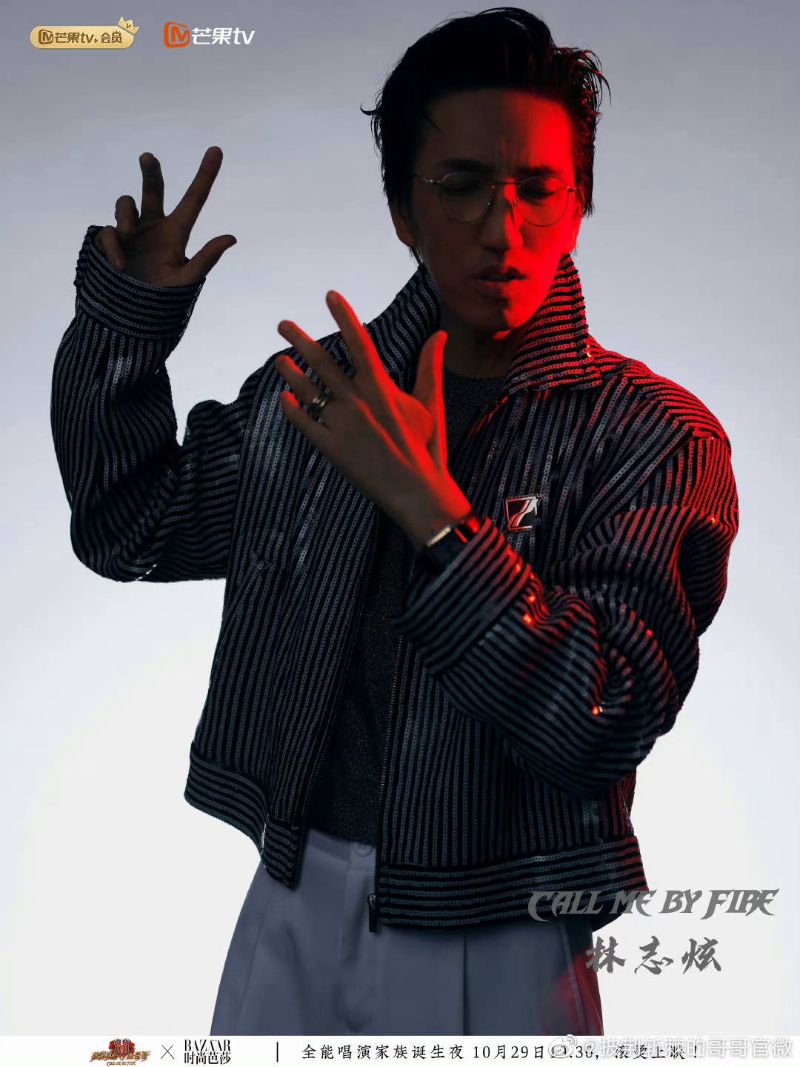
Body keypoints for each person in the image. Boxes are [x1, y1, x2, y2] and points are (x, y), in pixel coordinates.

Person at [51, 6, 739, 1038]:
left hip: (505, 927)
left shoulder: (652, 434)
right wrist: (124, 325)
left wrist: (435, 512)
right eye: (460, 185)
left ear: (580, 202)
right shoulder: (314, 394)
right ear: (400, 210)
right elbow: (130, 528)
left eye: (538, 189)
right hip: (294, 894)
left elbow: (599, 715)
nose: (501, 229)